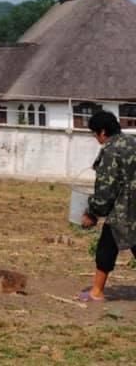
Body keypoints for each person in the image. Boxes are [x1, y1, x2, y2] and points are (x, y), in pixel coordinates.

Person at [78, 110, 136, 302]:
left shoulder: (111, 151)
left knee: (106, 247)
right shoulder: (132, 143)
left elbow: (106, 189)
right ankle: (96, 291)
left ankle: (96, 292)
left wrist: (92, 213)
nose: (96, 138)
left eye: (95, 134)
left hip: (124, 209)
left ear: (103, 132)